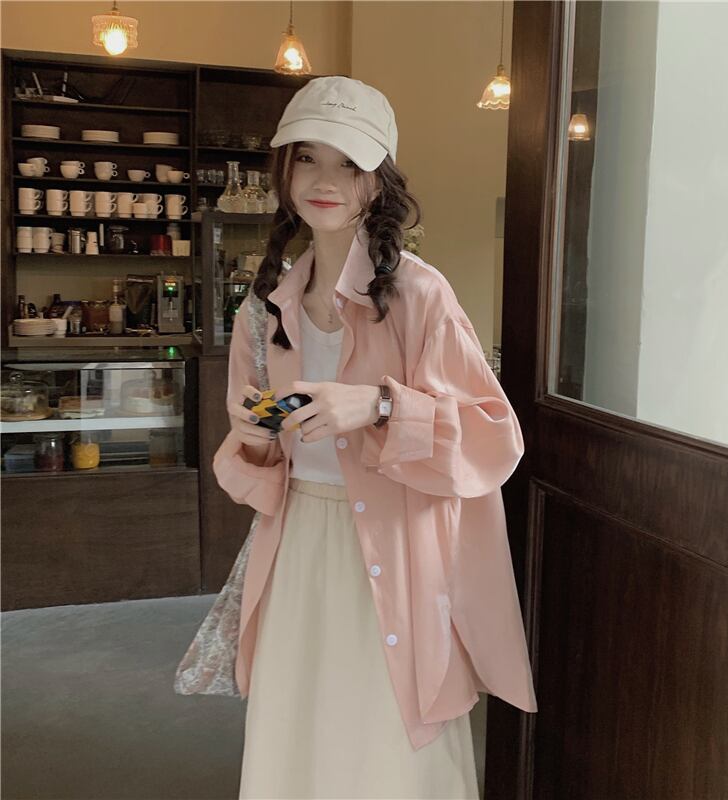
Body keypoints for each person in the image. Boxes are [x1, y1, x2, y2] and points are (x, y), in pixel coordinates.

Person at [213, 75, 537, 799]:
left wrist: (380, 406)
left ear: (378, 182)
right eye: (307, 157)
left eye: (349, 164)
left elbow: (493, 438)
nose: (324, 181)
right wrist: (253, 434)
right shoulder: (263, 310)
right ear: (283, 170)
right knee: (299, 725)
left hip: (395, 545)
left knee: (385, 736)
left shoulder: (419, 294)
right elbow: (259, 475)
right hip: (298, 544)